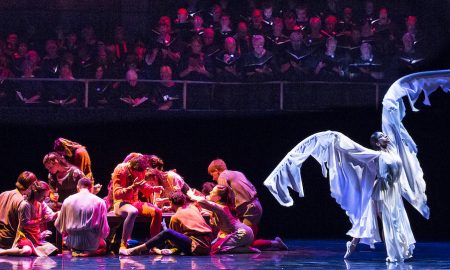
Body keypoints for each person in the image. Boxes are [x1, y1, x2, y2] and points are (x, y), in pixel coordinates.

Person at [207, 159, 287, 250]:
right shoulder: (238, 173)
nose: (213, 178)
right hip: (254, 206)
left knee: (244, 242)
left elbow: (223, 197)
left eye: (212, 174)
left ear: (216, 171)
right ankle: (275, 244)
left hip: (249, 210)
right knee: (246, 241)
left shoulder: (222, 176)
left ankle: (276, 244)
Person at [120, 191, 212, 256]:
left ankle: (135, 250)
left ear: (171, 203)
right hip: (207, 245)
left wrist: (164, 227)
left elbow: (174, 242)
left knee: (167, 232)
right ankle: (160, 249)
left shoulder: (175, 217)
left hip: (196, 247)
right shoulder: (193, 207)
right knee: (167, 235)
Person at [111, 154, 164, 252]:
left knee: (157, 212)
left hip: (134, 202)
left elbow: (142, 185)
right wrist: (132, 187)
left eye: (143, 172)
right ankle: (123, 246)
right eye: (138, 173)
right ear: (132, 168)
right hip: (121, 203)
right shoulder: (120, 170)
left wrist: (153, 188)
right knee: (133, 211)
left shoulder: (141, 169)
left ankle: (153, 245)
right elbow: (117, 194)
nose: (141, 175)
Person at [187, 185, 259, 254]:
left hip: (241, 233)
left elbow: (203, 202)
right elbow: (206, 200)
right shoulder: (218, 207)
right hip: (243, 232)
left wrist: (192, 196)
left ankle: (245, 249)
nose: (210, 192)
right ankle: (242, 247)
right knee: (212, 246)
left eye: (213, 191)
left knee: (217, 249)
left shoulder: (220, 208)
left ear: (218, 198)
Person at [0, 181, 57, 257]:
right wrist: (41, 220)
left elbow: (50, 214)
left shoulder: (40, 203)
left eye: (46, 196)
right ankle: (3, 252)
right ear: (36, 193)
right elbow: (25, 224)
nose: (45, 198)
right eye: (43, 196)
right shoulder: (26, 205)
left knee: (53, 250)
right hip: (24, 236)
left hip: (35, 238)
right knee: (27, 251)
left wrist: (57, 214)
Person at [55, 178, 110, 257]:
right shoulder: (100, 201)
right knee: (104, 245)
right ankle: (89, 253)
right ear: (91, 188)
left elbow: (58, 224)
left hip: (73, 242)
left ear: (78, 187)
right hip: (92, 243)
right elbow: (104, 229)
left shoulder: (68, 200)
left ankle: (77, 250)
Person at [0, 172, 38, 249]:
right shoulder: (24, 204)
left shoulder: (3, 194)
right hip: (8, 243)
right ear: (32, 186)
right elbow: (21, 231)